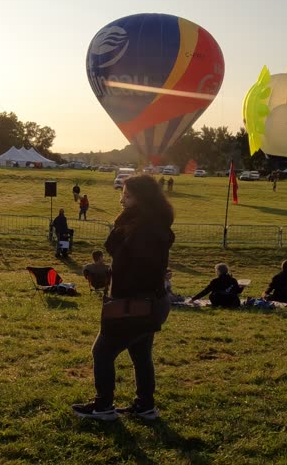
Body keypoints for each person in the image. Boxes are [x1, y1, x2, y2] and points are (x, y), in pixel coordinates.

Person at [72, 174, 175, 422]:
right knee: (141, 354)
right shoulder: (149, 223)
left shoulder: (144, 229)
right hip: (148, 302)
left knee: (102, 352)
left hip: (134, 303)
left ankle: (104, 406)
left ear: (142, 199)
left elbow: (135, 263)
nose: (122, 200)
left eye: (127, 195)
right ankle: (145, 406)